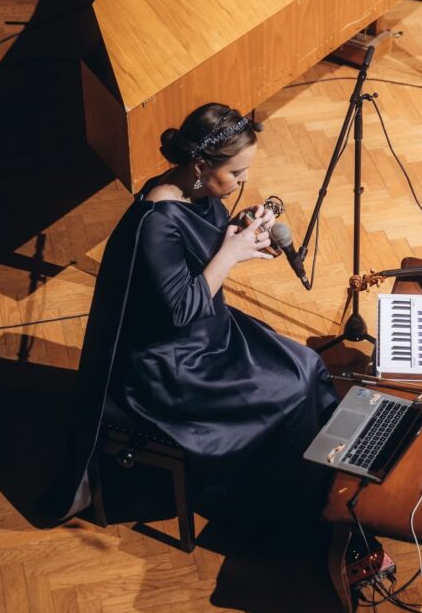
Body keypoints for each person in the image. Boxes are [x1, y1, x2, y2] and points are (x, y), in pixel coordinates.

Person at [52, 103, 339, 525]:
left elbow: (202, 244)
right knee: (290, 392)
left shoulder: (200, 189)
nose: (244, 180)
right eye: (237, 173)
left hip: (209, 332)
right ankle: (287, 504)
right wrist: (231, 252)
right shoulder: (156, 221)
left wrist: (241, 229)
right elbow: (181, 309)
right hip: (173, 363)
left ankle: (327, 474)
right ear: (202, 165)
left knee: (307, 364)